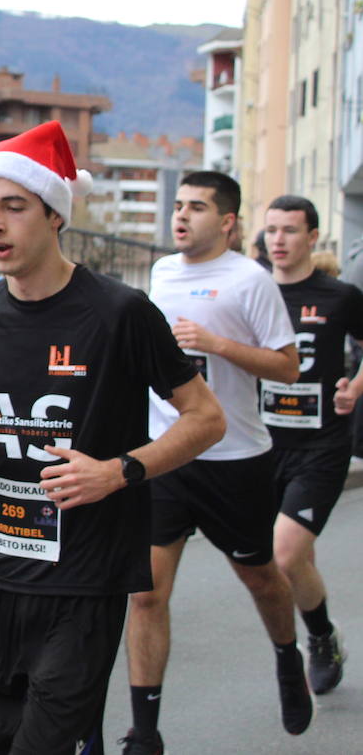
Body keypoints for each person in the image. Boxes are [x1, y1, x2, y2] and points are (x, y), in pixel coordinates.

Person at [0, 122, 224, 755]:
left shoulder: (120, 313)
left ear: (55, 213)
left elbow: (206, 418)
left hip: (85, 578)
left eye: (14, 207)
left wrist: (118, 471)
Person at [124, 170, 310, 754]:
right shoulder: (160, 272)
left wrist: (217, 344)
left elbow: (287, 368)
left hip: (234, 458)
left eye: (196, 208)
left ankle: (287, 655)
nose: (180, 216)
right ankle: (145, 732)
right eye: (178, 206)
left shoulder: (250, 280)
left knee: (259, 577)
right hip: (165, 455)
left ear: (226, 222)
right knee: (147, 593)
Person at [261, 195, 362, 696]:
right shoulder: (251, 291)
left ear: (313, 237)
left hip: (321, 444)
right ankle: (319, 627)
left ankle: (320, 638)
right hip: (262, 445)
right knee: (296, 556)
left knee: (285, 553)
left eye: (290, 231)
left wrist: (355, 385)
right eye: (272, 230)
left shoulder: (339, 296)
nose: (278, 241)